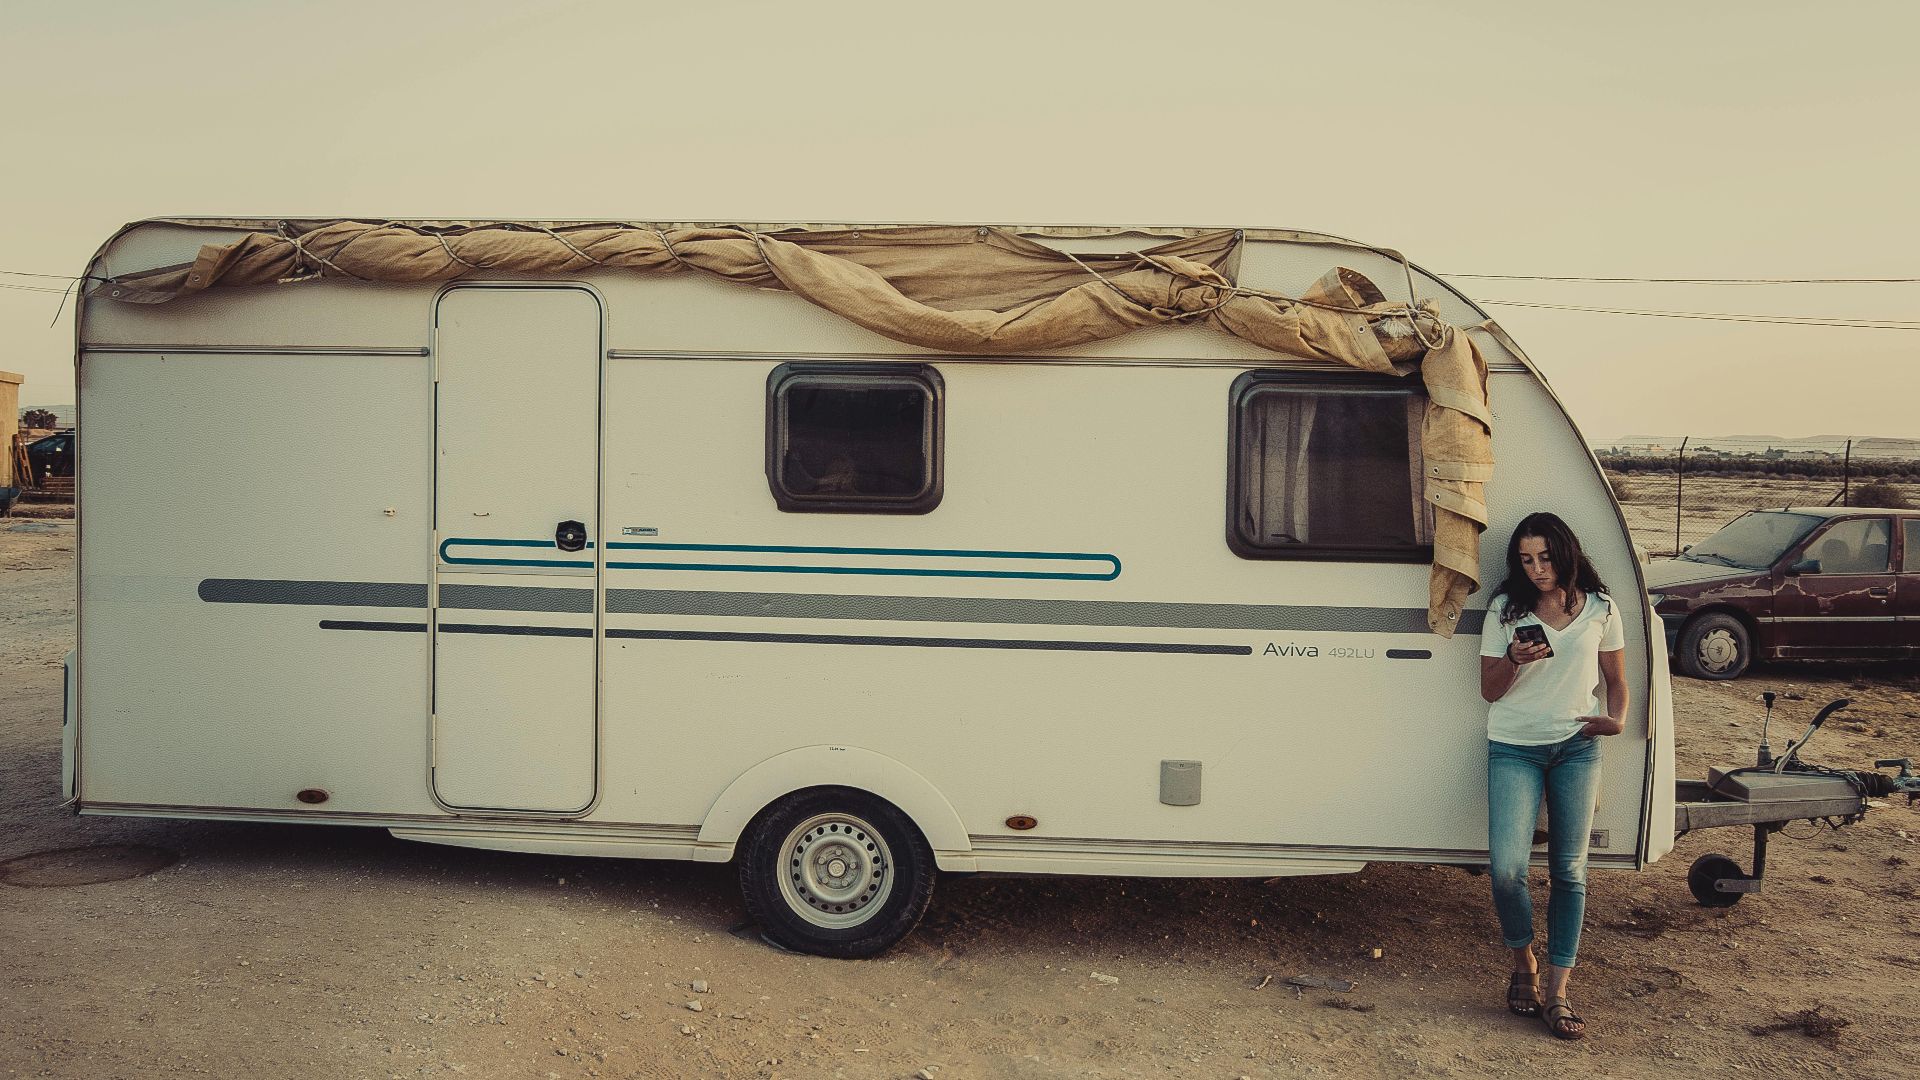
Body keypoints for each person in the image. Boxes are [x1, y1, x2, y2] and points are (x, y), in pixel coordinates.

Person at [1478, 512, 1628, 1040]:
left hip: (1577, 748)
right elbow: (1489, 692)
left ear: (1566, 553)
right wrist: (1515, 659)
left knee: (1570, 872)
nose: (1537, 569)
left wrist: (1618, 719)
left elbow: (1616, 679)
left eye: (1544, 557)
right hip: (1514, 747)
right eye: (1526, 560)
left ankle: (1559, 991)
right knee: (1506, 870)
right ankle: (1524, 964)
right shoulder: (1505, 609)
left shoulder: (1602, 609)